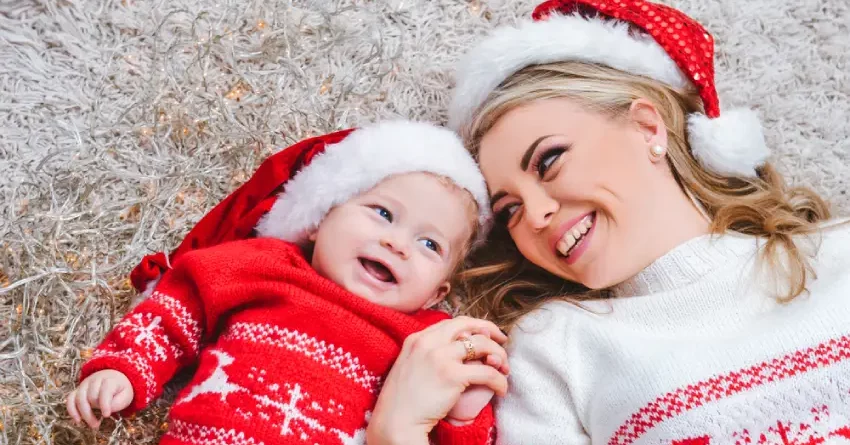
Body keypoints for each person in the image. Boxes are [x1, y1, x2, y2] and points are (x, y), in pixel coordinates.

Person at [367, 1, 850, 444]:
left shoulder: (839, 254)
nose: (534, 216)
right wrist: (395, 432)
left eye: (549, 161)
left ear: (647, 127)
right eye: (509, 208)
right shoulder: (555, 349)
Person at [65, 120, 508, 445]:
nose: (397, 244)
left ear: (436, 293)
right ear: (320, 218)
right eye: (383, 213)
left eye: (430, 244)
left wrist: (464, 418)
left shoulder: (424, 340)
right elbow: (181, 306)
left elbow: (430, 421)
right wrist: (125, 366)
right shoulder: (266, 265)